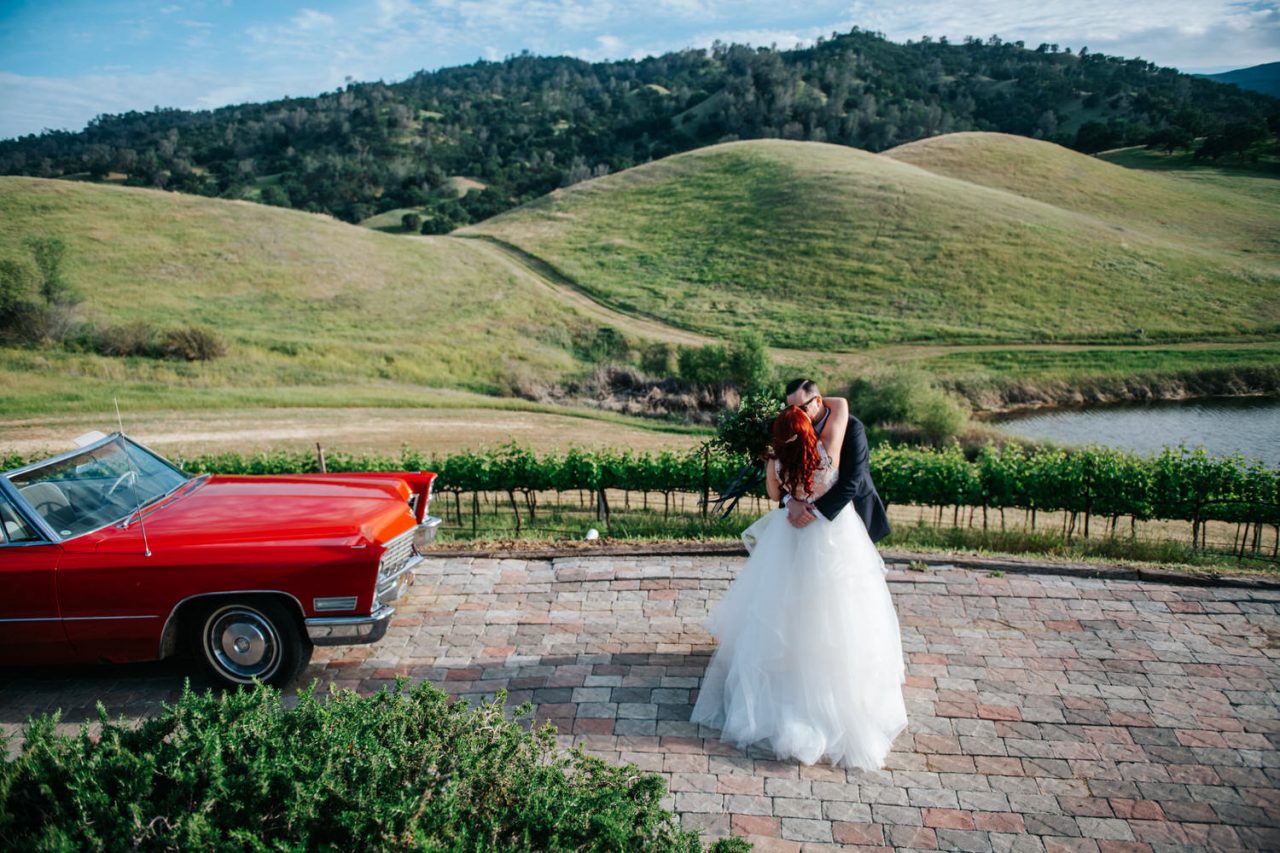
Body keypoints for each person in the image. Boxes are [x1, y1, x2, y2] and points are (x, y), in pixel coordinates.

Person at [690, 402, 907, 769]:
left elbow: (775, 496)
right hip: (831, 537)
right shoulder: (827, 454)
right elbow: (840, 411)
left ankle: (784, 676)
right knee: (838, 607)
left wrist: (791, 496)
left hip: (788, 535)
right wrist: (813, 406)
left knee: (779, 604)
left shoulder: (777, 463)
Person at [781, 379, 890, 541]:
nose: (797, 415)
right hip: (799, 518)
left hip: (848, 513)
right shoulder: (791, 429)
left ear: (818, 401)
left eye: (802, 408)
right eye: (791, 409)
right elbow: (782, 472)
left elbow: (853, 480)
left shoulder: (852, 427)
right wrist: (791, 503)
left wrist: (811, 513)